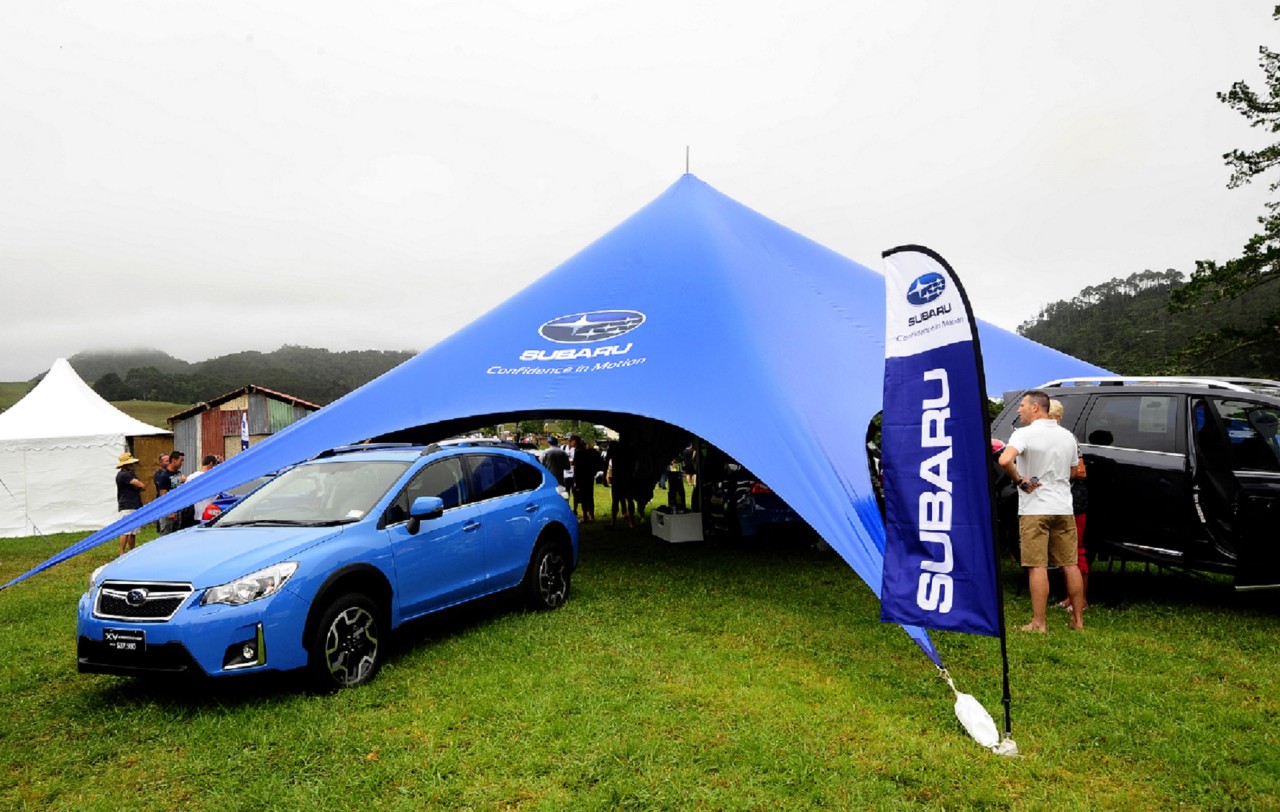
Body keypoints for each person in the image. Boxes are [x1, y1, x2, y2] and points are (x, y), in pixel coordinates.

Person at [998, 389, 1085, 632]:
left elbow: (1005, 460)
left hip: (1035, 508)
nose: (1019, 409)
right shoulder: (1067, 436)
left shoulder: (1023, 434)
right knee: (1070, 564)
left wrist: (1021, 480)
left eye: (1022, 405)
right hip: (1063, 507)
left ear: (1036, 407)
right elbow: (1074, 471)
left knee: (1037, 565)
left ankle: (1039, 622)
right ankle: (1077, 620)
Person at [1049, 399, 1089, 614]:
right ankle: (1069, 596)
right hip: (1056, 499)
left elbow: (1081, 471)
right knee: (1063, 552)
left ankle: (1080, 600)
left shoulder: (1067, 438)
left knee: (1075, 551)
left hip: (1073, 499)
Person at [115, 452, 146, 555]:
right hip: (127, 505)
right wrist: (138, 486)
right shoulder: (123, 475)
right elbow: (140, 484)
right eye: (130, 464)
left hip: (135, 504)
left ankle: (131, 551)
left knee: (133, 531)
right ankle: (122, 552)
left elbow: (141, 486)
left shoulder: (130, 474)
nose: (132, 465)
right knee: (126, 531)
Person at [570, 435, 602, 522]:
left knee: (583, 497)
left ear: (575, 441)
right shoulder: (587, 451)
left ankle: (585, 517)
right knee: (590, 497)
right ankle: (592, 516)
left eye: (571, 441)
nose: (570, 442)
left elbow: (577, 467)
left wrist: (576, 481)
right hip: (589, 476)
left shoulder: (578, 451)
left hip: (581, 477)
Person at [607, 436, 636, 528]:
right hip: (624, 476)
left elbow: (607, 461)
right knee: (626, 500)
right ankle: (629, 522)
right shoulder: (630, 448)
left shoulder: (617, 448)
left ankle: (614, 522)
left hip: (622, 476)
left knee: (618, 500)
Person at [187, 454, 220, 521]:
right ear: (211, 464)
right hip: (210, 514)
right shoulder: (213, 478)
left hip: (195, 514)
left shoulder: (190, 477)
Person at [153, 453, 172, 534]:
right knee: (164, 527)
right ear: (160, 463)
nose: (169, 462)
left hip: (172, 502)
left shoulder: (172, 473)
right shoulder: (158, 475)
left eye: (170, 460)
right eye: (167, 461)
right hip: (163, 503)